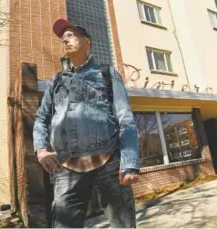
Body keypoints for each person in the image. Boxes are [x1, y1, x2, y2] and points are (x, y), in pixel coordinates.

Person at [33, 18, 140, 228]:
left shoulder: (106, 74)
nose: (65, 40)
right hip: (67, 168)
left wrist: (129, 162)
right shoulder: (55, 82)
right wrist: (41, 150)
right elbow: (41, 118)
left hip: (108, 163)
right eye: (63, 38)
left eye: (71, 35)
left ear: (87, 42)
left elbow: (125, 117)